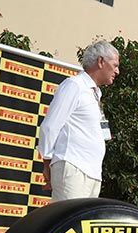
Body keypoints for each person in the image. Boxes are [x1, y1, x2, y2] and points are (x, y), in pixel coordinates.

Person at [38, 40, 120, 201]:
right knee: (66, 222)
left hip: (92, 172)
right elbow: (50, 126)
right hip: (73, 167)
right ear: (101, 61)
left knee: (83, 225)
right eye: (115, 65)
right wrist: (47, 162)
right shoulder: (74, 85)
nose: (117, 71)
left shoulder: (95, 93)